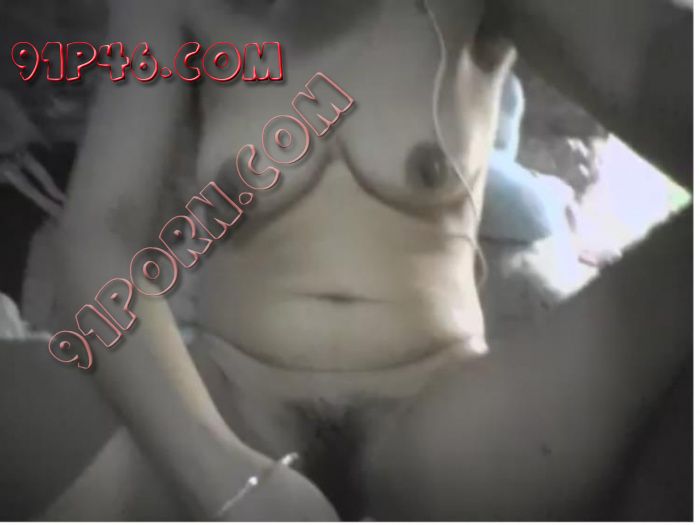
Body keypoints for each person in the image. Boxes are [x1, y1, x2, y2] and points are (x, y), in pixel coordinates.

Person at [0, 0, 691, 520]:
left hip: (443, 417)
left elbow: (657, 59)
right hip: (230, 397)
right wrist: (228, 482)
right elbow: (99, 235)